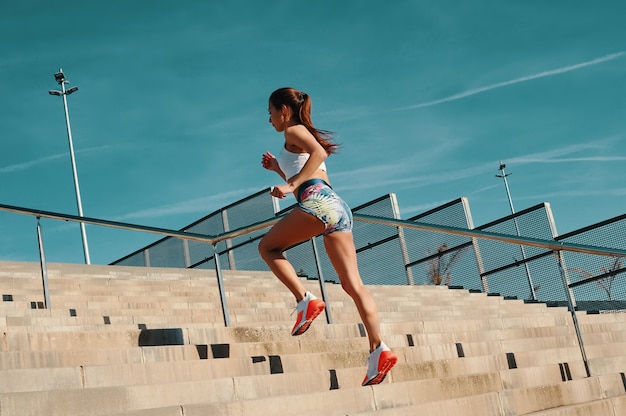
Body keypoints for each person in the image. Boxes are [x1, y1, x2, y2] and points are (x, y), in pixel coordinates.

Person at [258, 87, 398, 386]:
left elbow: (317, 157)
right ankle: (378, 349)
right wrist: (279, 172)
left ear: (284, 110)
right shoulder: (296, 138)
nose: (269, 119)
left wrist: (290, 182)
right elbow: (309, 173)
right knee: (353, 285)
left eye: (270, 112)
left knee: (268, 248)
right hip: (337, 207)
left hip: (318, 201)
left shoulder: (294, 131)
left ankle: (304, 299)